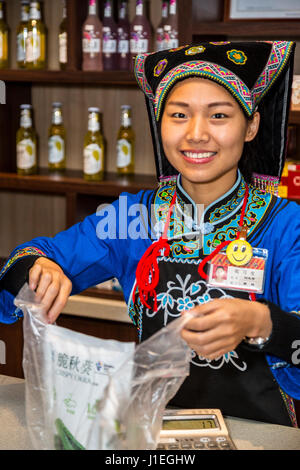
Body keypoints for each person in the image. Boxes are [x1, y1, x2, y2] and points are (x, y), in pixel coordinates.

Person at [0, 41, 300, 427]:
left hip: (259, 433)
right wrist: (39, 269)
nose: (196, 134)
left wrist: (262, 322)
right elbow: (26, 260)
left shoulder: (286, 224)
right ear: (159, 124)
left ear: (251, 126)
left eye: (219, 116)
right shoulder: (134, 218)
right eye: (178, 115)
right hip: (153, 429)